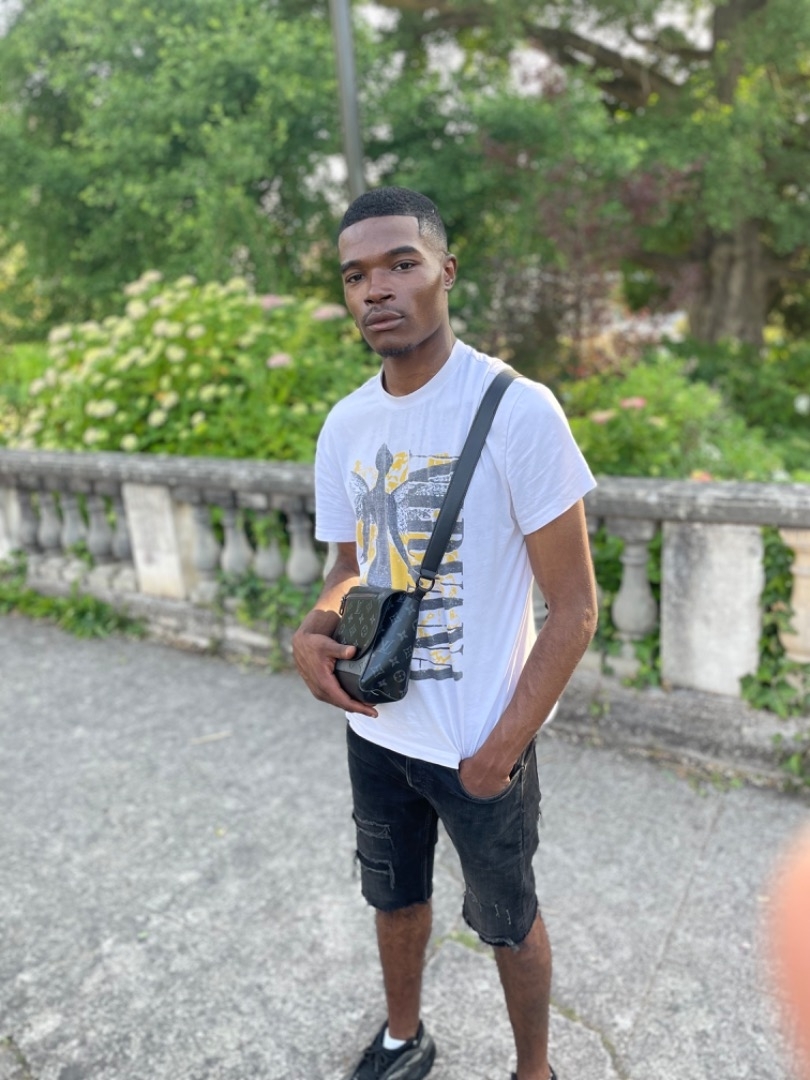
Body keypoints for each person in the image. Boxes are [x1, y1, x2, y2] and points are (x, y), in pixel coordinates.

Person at [292, 186, 598, 1080]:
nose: (376, 289)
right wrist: (314, 629)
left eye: (401, 264)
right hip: (377, 728)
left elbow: (575, 608)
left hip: (479, 742)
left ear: (446, 272)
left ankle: (534, 1071)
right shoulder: (347, 424)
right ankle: (404, 1037)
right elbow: (349, 564)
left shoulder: (518, 410)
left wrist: (500, 750)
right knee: (392, 898)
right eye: (356, 275)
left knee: (509, 921)